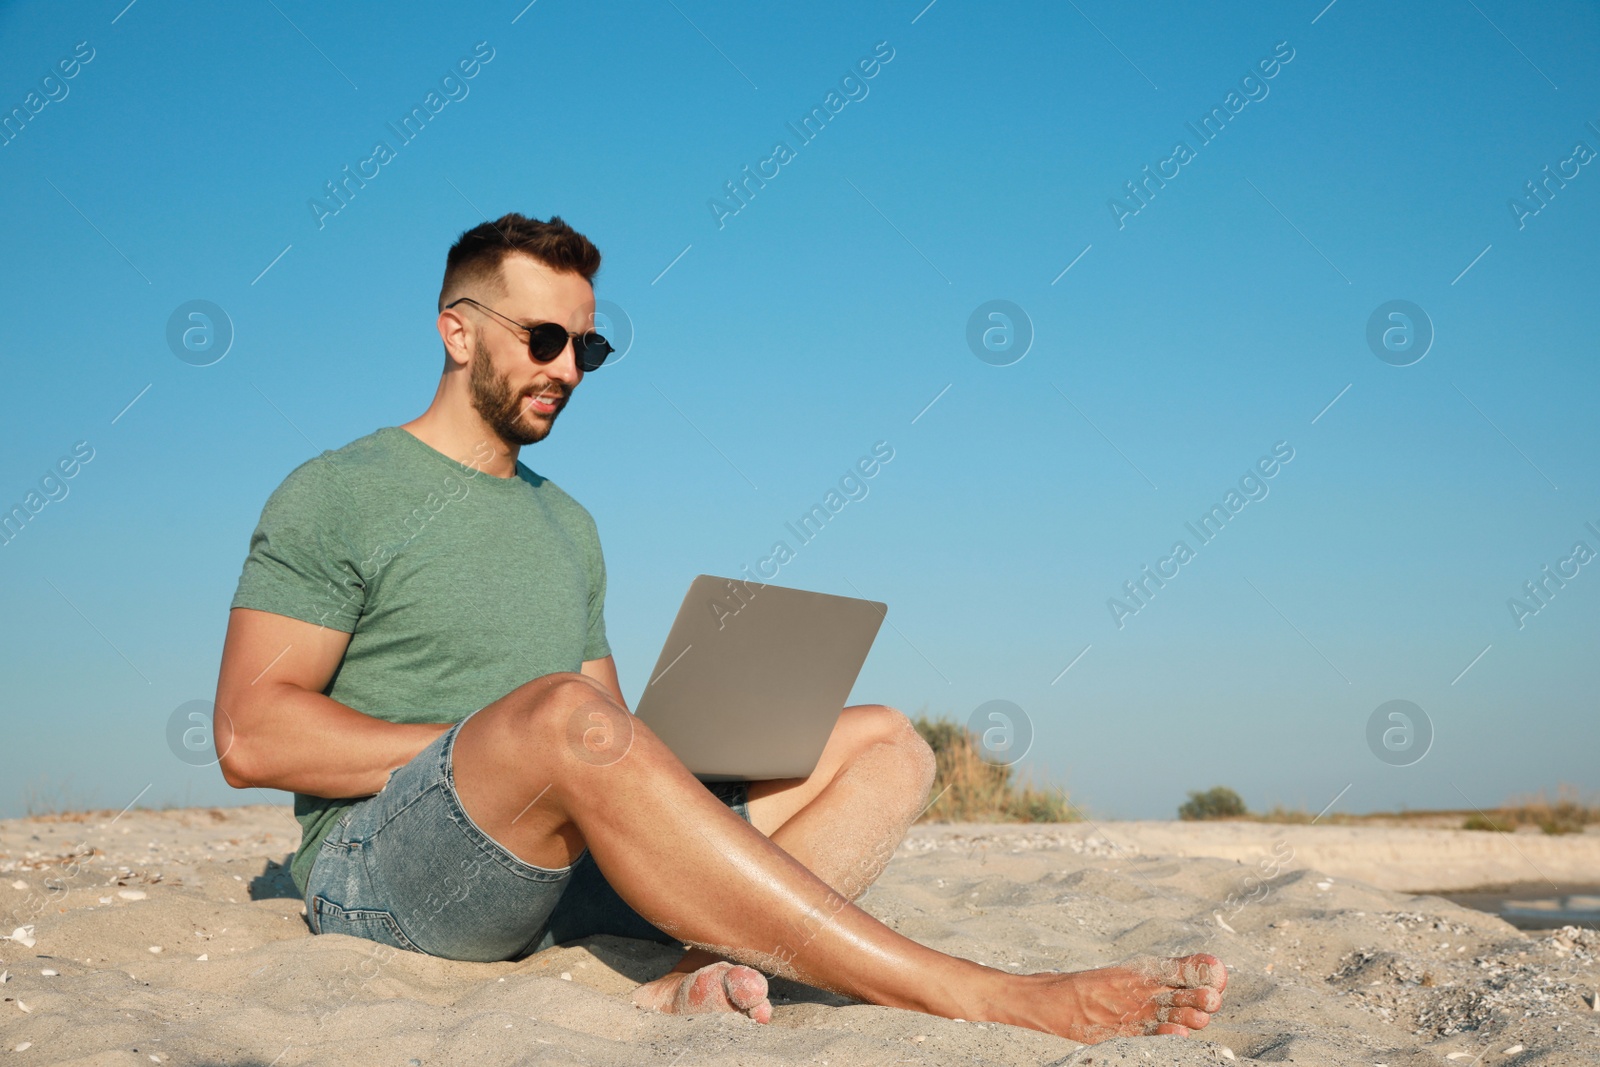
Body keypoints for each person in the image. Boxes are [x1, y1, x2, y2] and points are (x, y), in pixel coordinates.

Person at [215, 212, 1227, 1042]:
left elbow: (600, 720)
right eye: (544, 339)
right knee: (567, 717)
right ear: (458, 329)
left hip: (560, 865)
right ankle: (980, 989)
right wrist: (511, 745)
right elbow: (250, 735)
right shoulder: (340, 490)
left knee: (884, 741)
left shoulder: (566, 521)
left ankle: (690, 973)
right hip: (391, 874)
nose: (568, 367)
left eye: (588, 347)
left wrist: (635, 749)